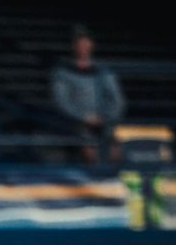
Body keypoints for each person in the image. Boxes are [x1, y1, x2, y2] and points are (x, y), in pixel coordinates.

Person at [51, 28, 124, 163]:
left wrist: (106, 117)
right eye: (80, 44)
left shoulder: (104, 71)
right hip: (77, 124)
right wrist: (84, 117)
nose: (83, 48)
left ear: (92, 45)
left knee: (116, 149)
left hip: (105, 122)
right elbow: (62, 101)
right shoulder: (63, 72)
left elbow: (116, 99)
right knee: (88, 149)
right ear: (74, 47)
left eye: (86, 44)